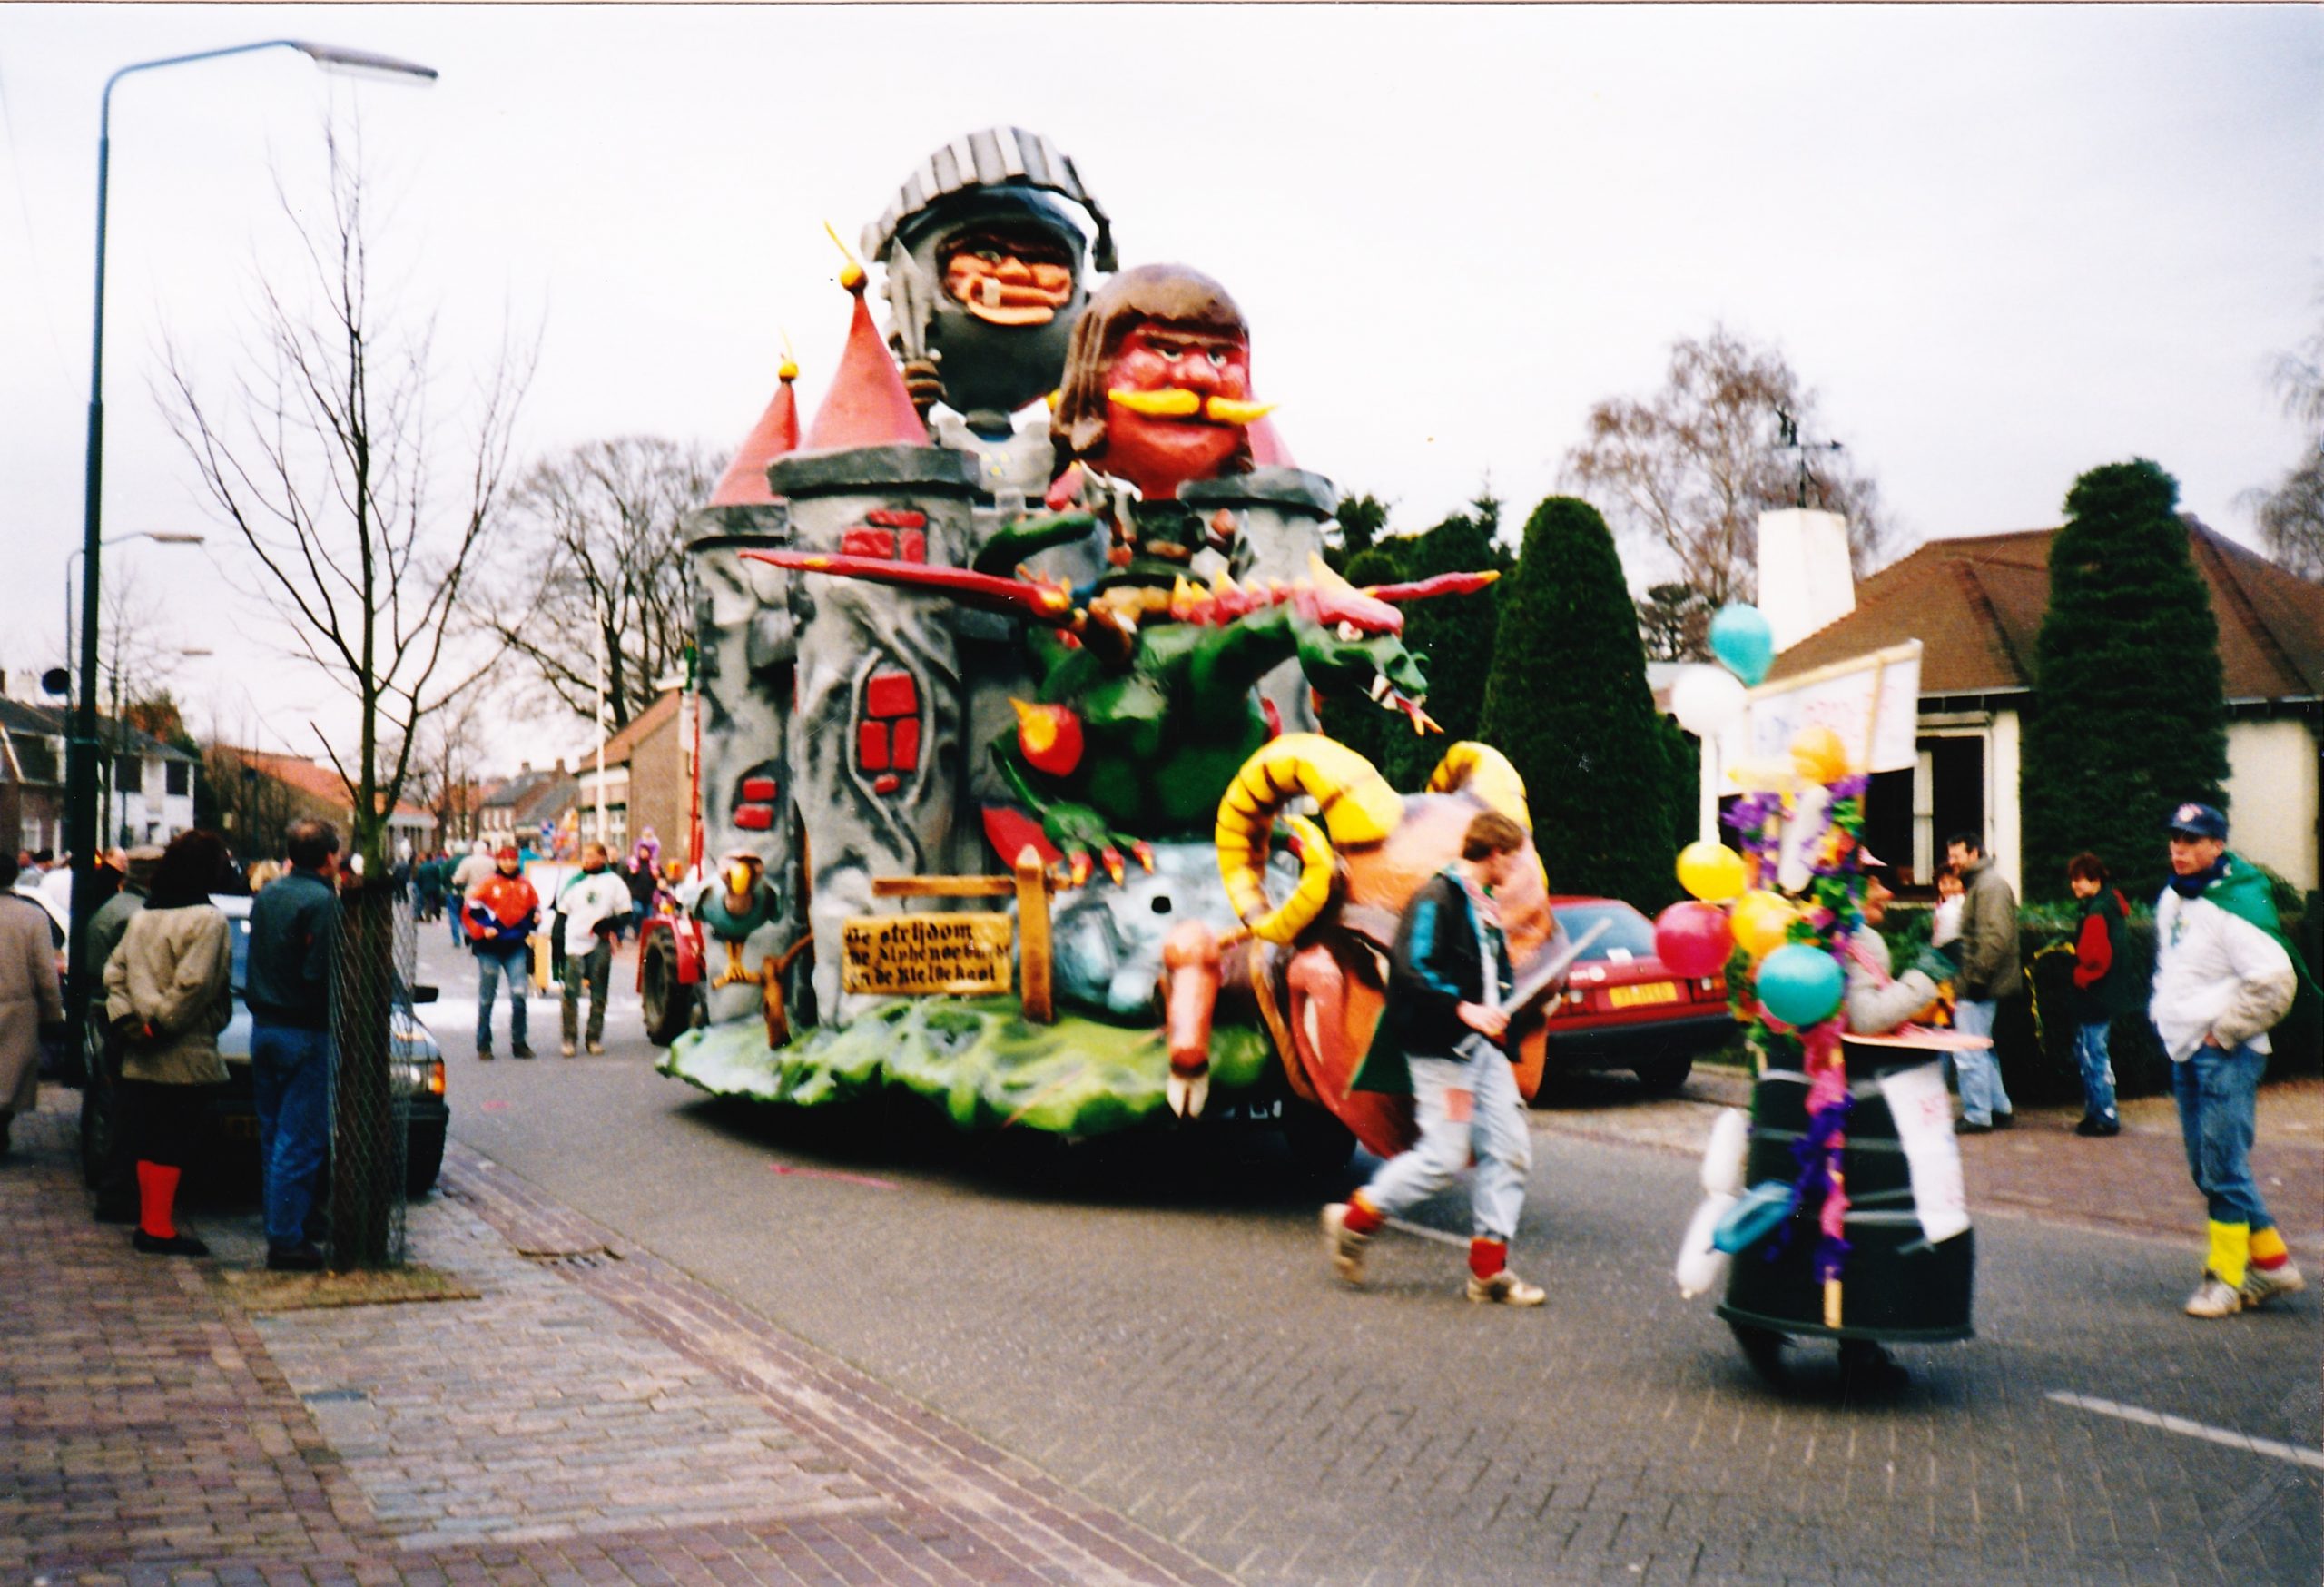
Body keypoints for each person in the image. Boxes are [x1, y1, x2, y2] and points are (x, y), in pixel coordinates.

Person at [1323, 812, 1545, 1306]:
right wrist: (1464, 1008)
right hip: (1445, 1053)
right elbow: (1412, 968)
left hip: (1481, 1053)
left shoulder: (1482, 904)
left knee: (1510, 1151)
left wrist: (1496, 1008)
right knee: (1444, 1155)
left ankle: (1488, 1275)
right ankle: (1354, 1221)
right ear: (1497, 853)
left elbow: (1487, 976)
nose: (1519, 869)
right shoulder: (1436, 898)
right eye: (1515, 857)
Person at [2150, 803, 2303, 1318]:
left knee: (2222, 1169)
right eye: (2175, 839)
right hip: (2186, 1050)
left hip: (2224, 1056)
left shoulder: (2233, 909)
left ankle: (2226, 1278)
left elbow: (2277, 983)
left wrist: (2226, 1032)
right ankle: (2274, 1264)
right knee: (2210, 1169)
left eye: (2192, 840)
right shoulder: (2174, 898)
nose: (2180, 849)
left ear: (2218, 846)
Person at [103, 830, 234, 1257]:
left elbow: (114, 974)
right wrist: (160, 1026)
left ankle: (150, 1221)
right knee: (173, 1140)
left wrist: (129, 1023)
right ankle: (158, 1228)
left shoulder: (143, 916)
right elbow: (194, 985)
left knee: (149, 1135)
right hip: (184, 1050)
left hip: (139, 1049)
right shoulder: (208, 920)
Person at [246, 819, 342, 1271]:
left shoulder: (269, 895)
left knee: (274, 1135)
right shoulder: (323, 901)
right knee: (300, 1138)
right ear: (330, 856)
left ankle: (284, 1220)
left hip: (264, 1024)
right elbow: (319, 971)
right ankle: (286, 1238)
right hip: (304, 1030)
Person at [84, 845, 163, 1218]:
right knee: (124, 1107)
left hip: (103, 1009)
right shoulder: (138, 915)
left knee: (109, 1100)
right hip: (119, 1015)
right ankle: (117, 1191)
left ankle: (109, 1181)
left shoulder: (114, 908)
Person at [1943, 833, 2019, 1132]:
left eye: (1957, 856)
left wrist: (1976, 979)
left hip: (1980, 984)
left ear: (1974, 853)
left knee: (1968, 1048)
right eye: (1950, 857)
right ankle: (1998, 1108)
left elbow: (1995, 939)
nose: (1952, 862)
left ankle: (1977, 1114)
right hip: (1984, 982)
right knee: (1981, 1047)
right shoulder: (1985, 884)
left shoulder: (1988, 886)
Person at [0, 852, 65, 1158]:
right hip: (16, 1010)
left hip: (15, 1006)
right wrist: (53, 1014)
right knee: (8, 1080)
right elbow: (44, 971)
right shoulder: (32, 917)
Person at [1844, 862, 1956, 1037]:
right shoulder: (1856, 940)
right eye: (1873, 884)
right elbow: (1865, 1019)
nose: (1887, 893)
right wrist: (1927, 974)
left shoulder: (1826, 931)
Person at [2067, 853, 2131, 1138]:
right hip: (2110, 992)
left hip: (2095, 994)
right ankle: (2097, 1112)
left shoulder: (2096, 912)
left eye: (2078, 880)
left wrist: (2081, 976)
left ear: (2093, 879)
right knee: (2094, 1052)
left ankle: (2104, 1114)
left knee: (2092, 1053)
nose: (2074, 886)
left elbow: (2095, 957)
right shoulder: (2110, 904)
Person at [556, 842, 631, 1056]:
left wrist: (607, 924)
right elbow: (562, 914)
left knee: (599, 992)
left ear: (602, 857)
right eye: (584, 855)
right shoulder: (574, 883)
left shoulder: (614, 883)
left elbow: (626, 914)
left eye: (591, 855)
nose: (586, 859)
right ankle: (569, 1038)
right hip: (574, 941)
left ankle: (594, 1038)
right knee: (571, 992)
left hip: (600, 942)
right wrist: (557, 942)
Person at [466, 844, 538, 1060]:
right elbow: (470, 911)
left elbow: (534, 908)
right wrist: (482, 929)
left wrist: (535, 919)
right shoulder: (487, 884)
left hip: (515, 946)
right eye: (505, 860)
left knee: (519, 993)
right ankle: (484, 1044)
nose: (509, 864)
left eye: (513, 860)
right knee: (487, 996)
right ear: (498, 861)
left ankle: (519, 1041)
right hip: (490, 947)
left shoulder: (525, 885)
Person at [448, 840, 495, 950]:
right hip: (489, 891)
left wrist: (454, 880)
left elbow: (459, 878)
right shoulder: (492, 862)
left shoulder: (467, 861)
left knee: (472, 916)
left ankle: (474, 939)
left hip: (473, 891)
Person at [1928, 866, 1965, 972]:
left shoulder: (1962, 903)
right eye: (1943, 883)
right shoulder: (1941, 904)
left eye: (1953, 883)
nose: (1948, 887)